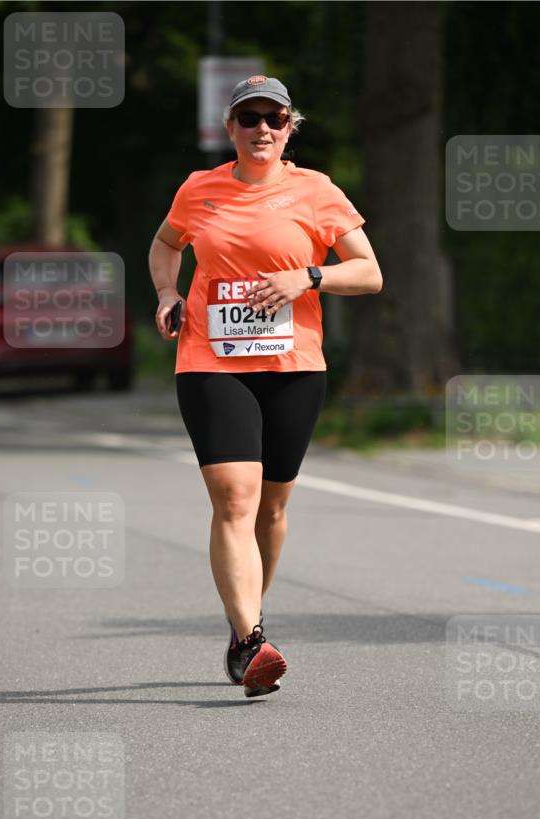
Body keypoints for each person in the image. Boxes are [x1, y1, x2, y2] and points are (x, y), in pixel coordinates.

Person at [148, 75, 382, 698]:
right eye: (248, 118)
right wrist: (168, 292)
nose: (261, 129)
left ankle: (242, 625)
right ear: (230, 128)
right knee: (234, 499)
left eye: (273, 119)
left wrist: (308, 277)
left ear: (288, 128)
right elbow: (166, 244)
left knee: (272, 507)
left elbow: (369, 273)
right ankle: (252, 641)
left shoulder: (316, 190)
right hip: (211, 360)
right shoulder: (199, 189)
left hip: (294, 366)